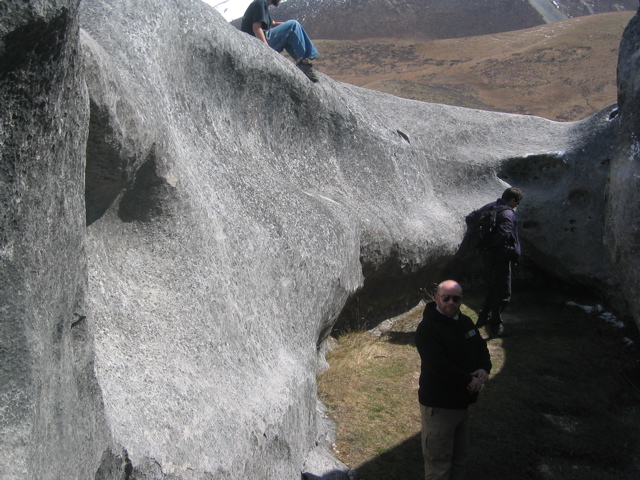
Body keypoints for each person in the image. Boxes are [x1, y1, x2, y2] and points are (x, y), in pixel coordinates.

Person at [415, 280, 491, 480]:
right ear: (436, 298)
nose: (450, 302)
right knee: (439, 461)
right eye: (446, 297)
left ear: (461, 301)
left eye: (455, 298)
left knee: (459, 457)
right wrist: (468, 379)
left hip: (461, 403)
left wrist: (484, 368)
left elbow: (480, 347)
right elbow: (437, 364)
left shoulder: (465, 322)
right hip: (439, 405)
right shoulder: (427, 328)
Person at [473, 187, 523, 338]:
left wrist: (482, 244)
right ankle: (495, 325)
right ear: (512, 199)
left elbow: (471, 217)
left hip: (487, 255)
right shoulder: (508, 213)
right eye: (517, 202)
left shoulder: (489, 207)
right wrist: (496, 247)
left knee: (493, 287)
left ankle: (483, 317)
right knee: (503, 292)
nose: (517, 205)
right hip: (501, 256)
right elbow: (504, 233)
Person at [240, 0, 320, 82]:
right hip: (255, 43)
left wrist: (295, 26)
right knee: (293, 24)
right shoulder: (261, 3)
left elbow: (273, 24)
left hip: (256, 42)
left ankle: (302, 62)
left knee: (294, 27)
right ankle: (304, 61)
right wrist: (266, 48)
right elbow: (256, 28)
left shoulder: (263, 5)